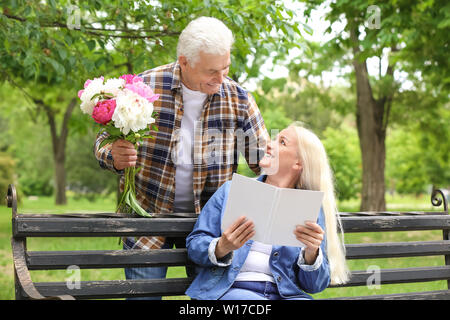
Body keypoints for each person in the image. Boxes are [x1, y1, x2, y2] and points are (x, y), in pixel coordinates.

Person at [94, 16, 269, 299]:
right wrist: (112, 155)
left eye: (225, 68)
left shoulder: (238, 98)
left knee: (211, 301)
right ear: (184, 62)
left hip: (211, 229)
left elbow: (263, 160)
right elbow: (102, 142)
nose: (221, 78)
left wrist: (282, 161)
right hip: (148, 219)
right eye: (211, 71)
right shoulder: (144, 87)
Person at [185, 124, 350, 300]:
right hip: (233, 291)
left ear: (299, 162)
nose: (269, 144)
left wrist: (311, 253)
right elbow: (195, 245)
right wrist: (221, 247)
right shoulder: (231, 191)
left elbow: (314, 286)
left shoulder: (310, 208)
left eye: (282, 142)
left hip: (286, 295)